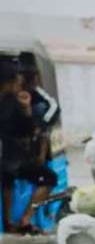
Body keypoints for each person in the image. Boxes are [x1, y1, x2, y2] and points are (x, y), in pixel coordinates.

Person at [0, 62, 56, 231]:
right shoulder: (13, 103)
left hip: (7, 160)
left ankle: (8, 222)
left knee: (6, 178)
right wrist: (27, 110)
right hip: (12, 159)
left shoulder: (11, 101)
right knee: (50, 178)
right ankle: (25, 218)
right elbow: (28, 130)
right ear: (9, 83)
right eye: (17, 82)